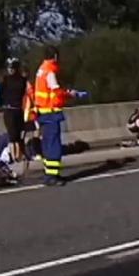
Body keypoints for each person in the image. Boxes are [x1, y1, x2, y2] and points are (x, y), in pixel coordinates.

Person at [33, 46, 83, 186]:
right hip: (51, 113)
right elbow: (55, 91)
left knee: (47, 144)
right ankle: (53, 176)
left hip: (42, 112)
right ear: (55, 56)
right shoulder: (50, 72)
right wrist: (71, 94)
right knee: (54, 144)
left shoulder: (41, 70)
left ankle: (49, 173)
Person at [0, 57, 30, 162]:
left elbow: (0, 93)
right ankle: (15, 156)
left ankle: (17, 155)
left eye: (12, 68)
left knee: (16, 134)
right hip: (12, 109)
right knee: (14, 135)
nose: (10, 70)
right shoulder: (17, 80)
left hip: (15, 109)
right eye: (9, 68)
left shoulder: (12, 80)